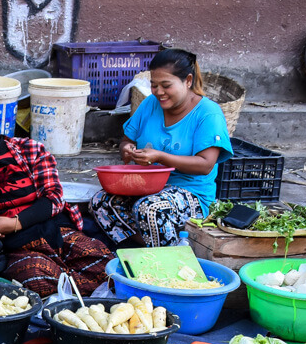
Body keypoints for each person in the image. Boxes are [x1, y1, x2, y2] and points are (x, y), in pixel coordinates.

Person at [0, 97, 112, 297]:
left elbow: (54, 198)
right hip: (9, 247)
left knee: (106, 265)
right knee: (36, 277)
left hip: (52, 230)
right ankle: (74, 289)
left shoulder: (30, 150)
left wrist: (16, 223)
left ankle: (69, 287)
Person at [90, 48, 234, 247]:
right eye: (154, 85)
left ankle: (167, 259)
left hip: (192, 193)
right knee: (101, 202)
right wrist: (127, 148)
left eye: (166, 85)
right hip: (148, 186)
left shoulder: (208, 113)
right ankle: (148, 248)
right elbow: (126, 139)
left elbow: (205, 165)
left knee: (150, 208)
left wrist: (159, 156)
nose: (158, 92)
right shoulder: (150, 104)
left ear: (188, 80)